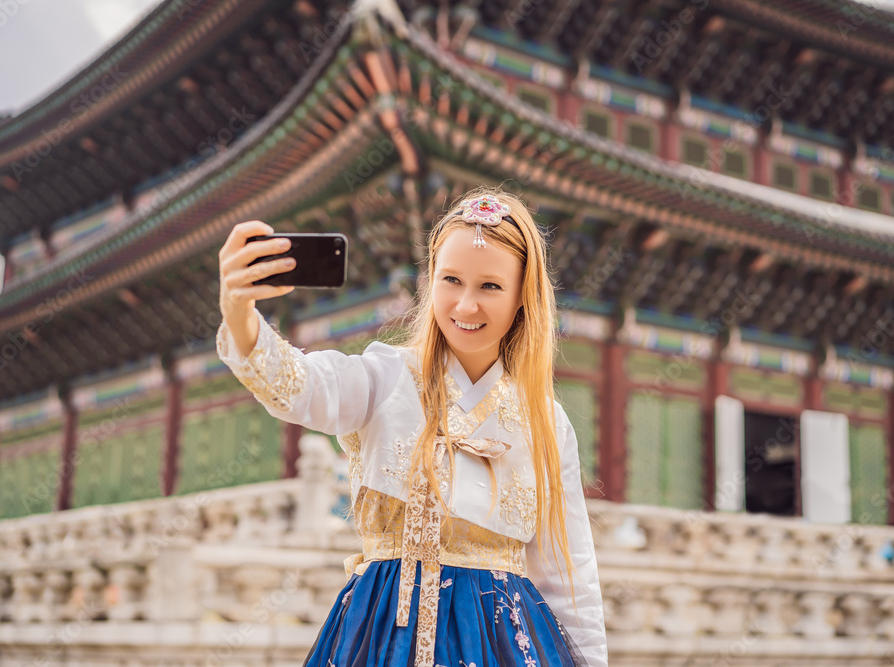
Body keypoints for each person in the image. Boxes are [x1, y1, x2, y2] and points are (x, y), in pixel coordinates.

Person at [215, 187, 607, 667]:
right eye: (451, 280)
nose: (465, 306)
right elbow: (298, 385)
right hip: (385, 632)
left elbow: (570, 577)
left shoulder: (546, 421)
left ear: (523, 297)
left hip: (502, 638)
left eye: (490, 286)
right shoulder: (385, 377)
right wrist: (239, 314)